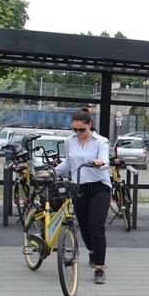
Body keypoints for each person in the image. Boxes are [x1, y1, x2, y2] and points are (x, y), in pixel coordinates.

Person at [52, 108, 111, 284]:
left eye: (81, 130)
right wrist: (52, 172)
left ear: (89, 125)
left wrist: (99, 162)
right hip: (78, 186)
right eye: (75, 130)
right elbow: (68, 163)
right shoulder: (70, 141)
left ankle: (100, 268)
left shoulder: (101, 141)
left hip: (99, 187)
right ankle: (92, 251)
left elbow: (105, 160)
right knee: (83, 225)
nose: (78, 133)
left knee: (96, 226)